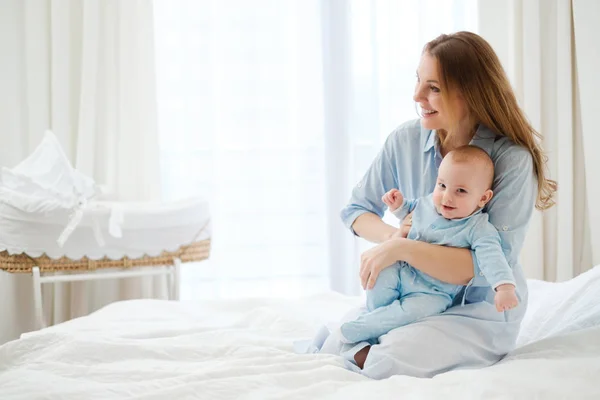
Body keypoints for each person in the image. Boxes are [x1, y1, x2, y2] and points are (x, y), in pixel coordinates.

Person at [314, 31, 557, 379]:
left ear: (470, 92)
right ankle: (366, 349)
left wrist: (403, 248)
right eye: (418, 80)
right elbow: (357, 211)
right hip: (413, 297)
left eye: (434, 87)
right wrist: (392, 239)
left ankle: (373, 352)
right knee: (334, 338)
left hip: (477, 311)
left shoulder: (511, 161)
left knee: (388, 357)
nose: (416, 95)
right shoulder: (406, 139)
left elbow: (487, 266)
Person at [339, 145, 519, 345]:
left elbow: (493, 258)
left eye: (460, 191)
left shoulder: (478, 228)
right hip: (403, 270)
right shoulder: (428, 204)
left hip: (432, 292)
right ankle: (376, 320)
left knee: (411, 312)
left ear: (483, 198)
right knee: (379, 275)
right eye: (442, 185)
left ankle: (365, 327)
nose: (446, 197)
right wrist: (398, 205)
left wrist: (504, 288)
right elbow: (410, 212)